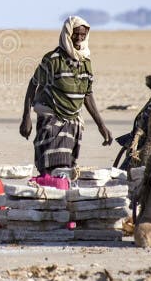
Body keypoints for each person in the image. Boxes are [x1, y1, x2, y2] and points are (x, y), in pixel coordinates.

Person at [20, 16, 113, 175]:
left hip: (73, 123)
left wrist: (101, 125)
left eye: (83, 34)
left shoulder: (85, 62)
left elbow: (87, 95)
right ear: (67, 34)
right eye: (75, 34)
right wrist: (26, 117)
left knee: (66, 169)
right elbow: (33, 84)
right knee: (49, 166)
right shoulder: (53, 59)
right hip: (51, 118)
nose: (79, 38)